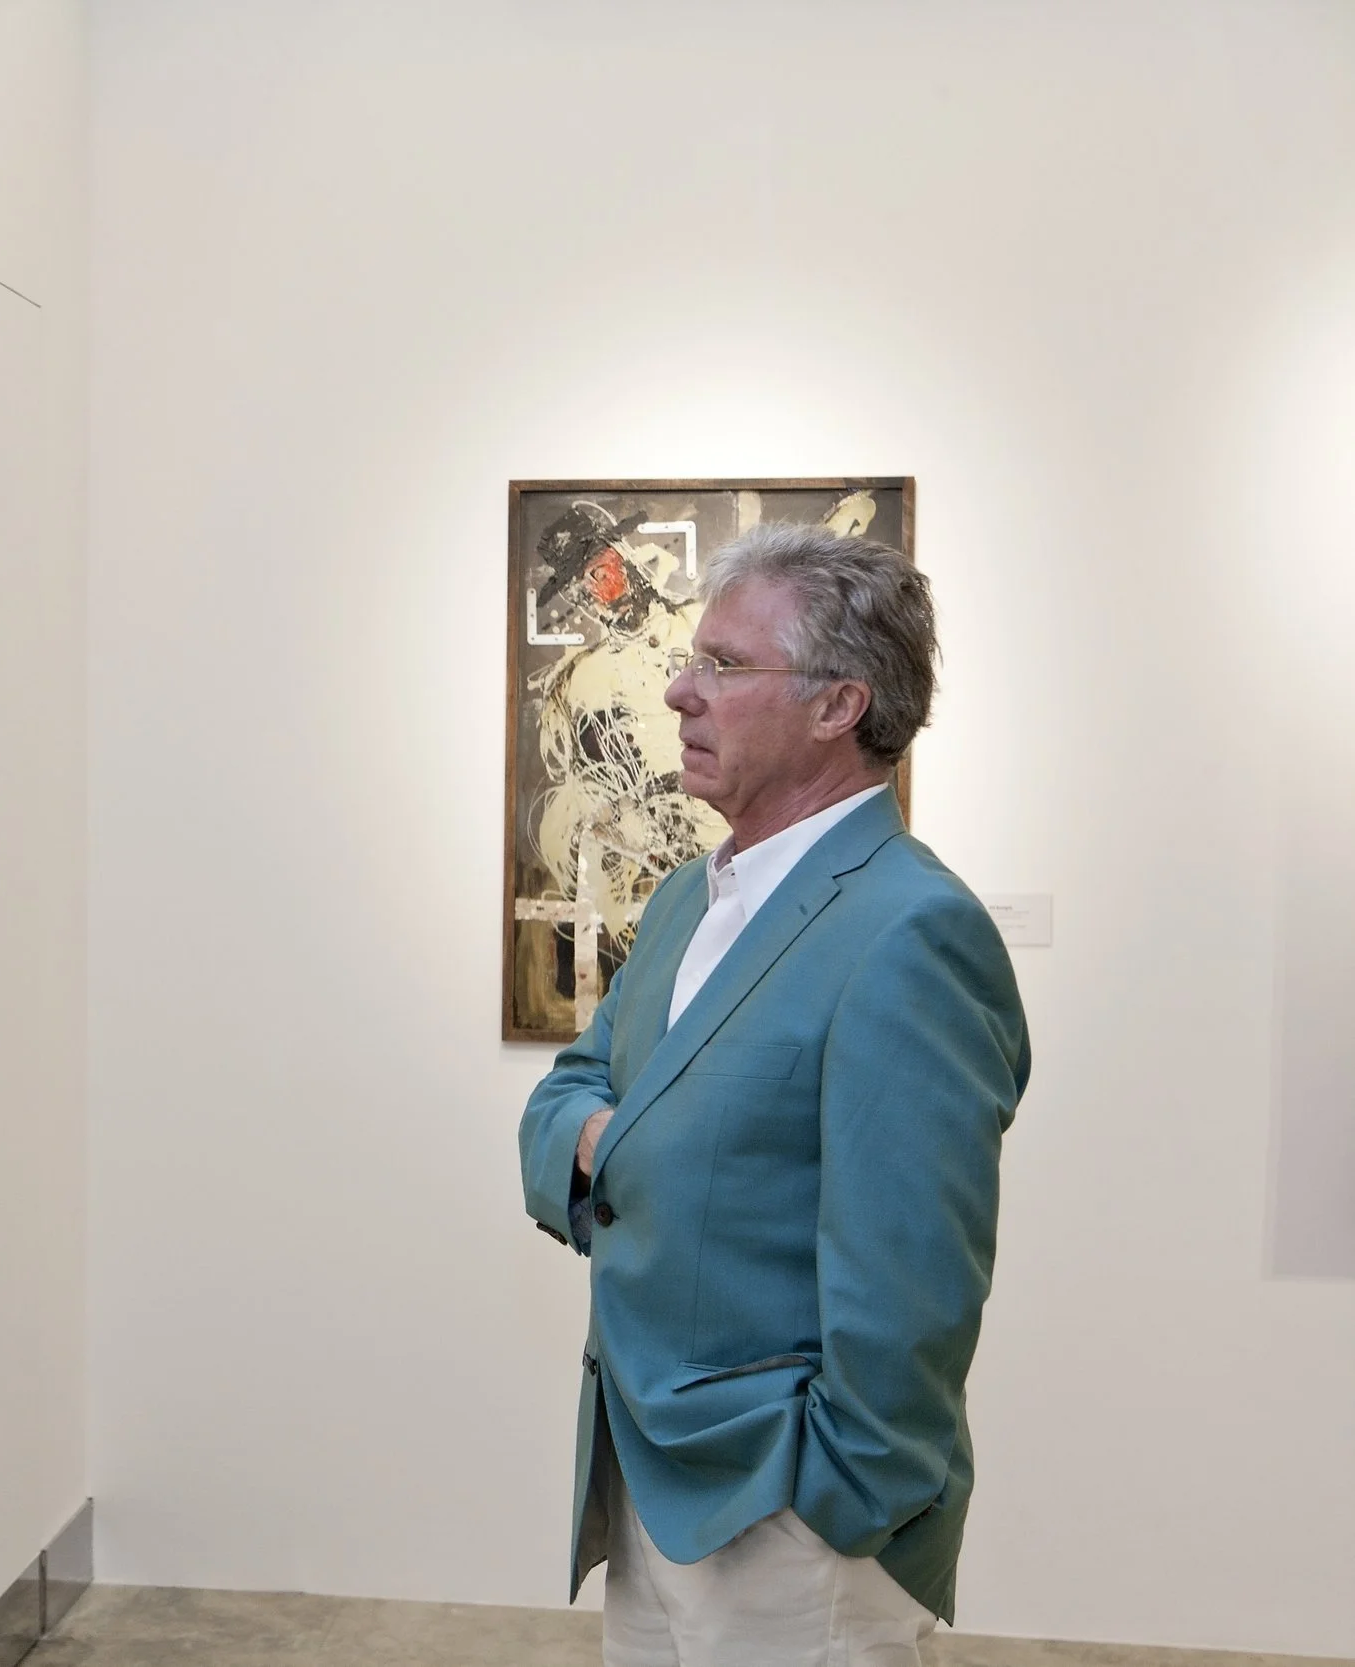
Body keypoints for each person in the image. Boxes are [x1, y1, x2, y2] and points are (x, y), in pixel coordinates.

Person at [518, 522, 1030, 1667]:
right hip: (644, 1470)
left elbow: (913, 1277)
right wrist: (601, 1132)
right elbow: (569, 1091)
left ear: (837, 704)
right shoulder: (685, 903)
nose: (677, 690)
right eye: (690, 659)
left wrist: (839, 1501)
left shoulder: (908, 930)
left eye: (722, 664)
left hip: (787, 1513)